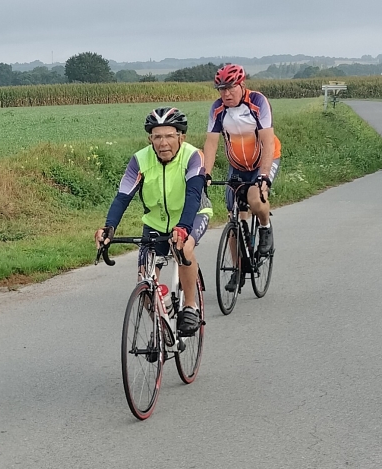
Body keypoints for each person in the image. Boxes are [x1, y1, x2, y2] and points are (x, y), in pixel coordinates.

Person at [96, 107, 212, 338]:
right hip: (155, 223)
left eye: (169, 136)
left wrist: (183, 228)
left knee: (183, 248)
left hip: (193, 215)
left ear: (181, 137)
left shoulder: (193, 156)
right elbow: (122, 196)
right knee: (145, 279)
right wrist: (109, 227)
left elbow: (192, 196)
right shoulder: (140, 160)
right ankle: (163, 329)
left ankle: (190, 307)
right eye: (157, 137)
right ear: (150, 139)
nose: (163, 143)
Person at [201, 63, 281, 291]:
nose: (226, 94)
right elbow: (211, 143)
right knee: (234, 218)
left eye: (230, 88)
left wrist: (264, 175)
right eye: (221, 89)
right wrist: (205, 174)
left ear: (242, 85)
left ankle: (265, 228)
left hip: (264, 160)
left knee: (255, 199)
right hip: (237, 166)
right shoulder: (217, 109)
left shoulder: (257, 102)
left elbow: (267, 141)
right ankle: (238, 269)